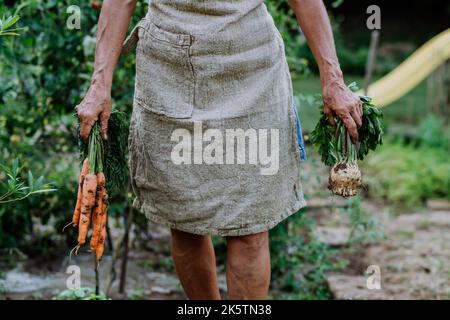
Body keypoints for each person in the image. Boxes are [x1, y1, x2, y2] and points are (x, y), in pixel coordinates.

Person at [77, 0, 362, 300]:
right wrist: (99, 85)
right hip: (170, 72)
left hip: (250, 69)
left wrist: (333, 79)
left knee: (250, 227)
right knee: (184, 219)